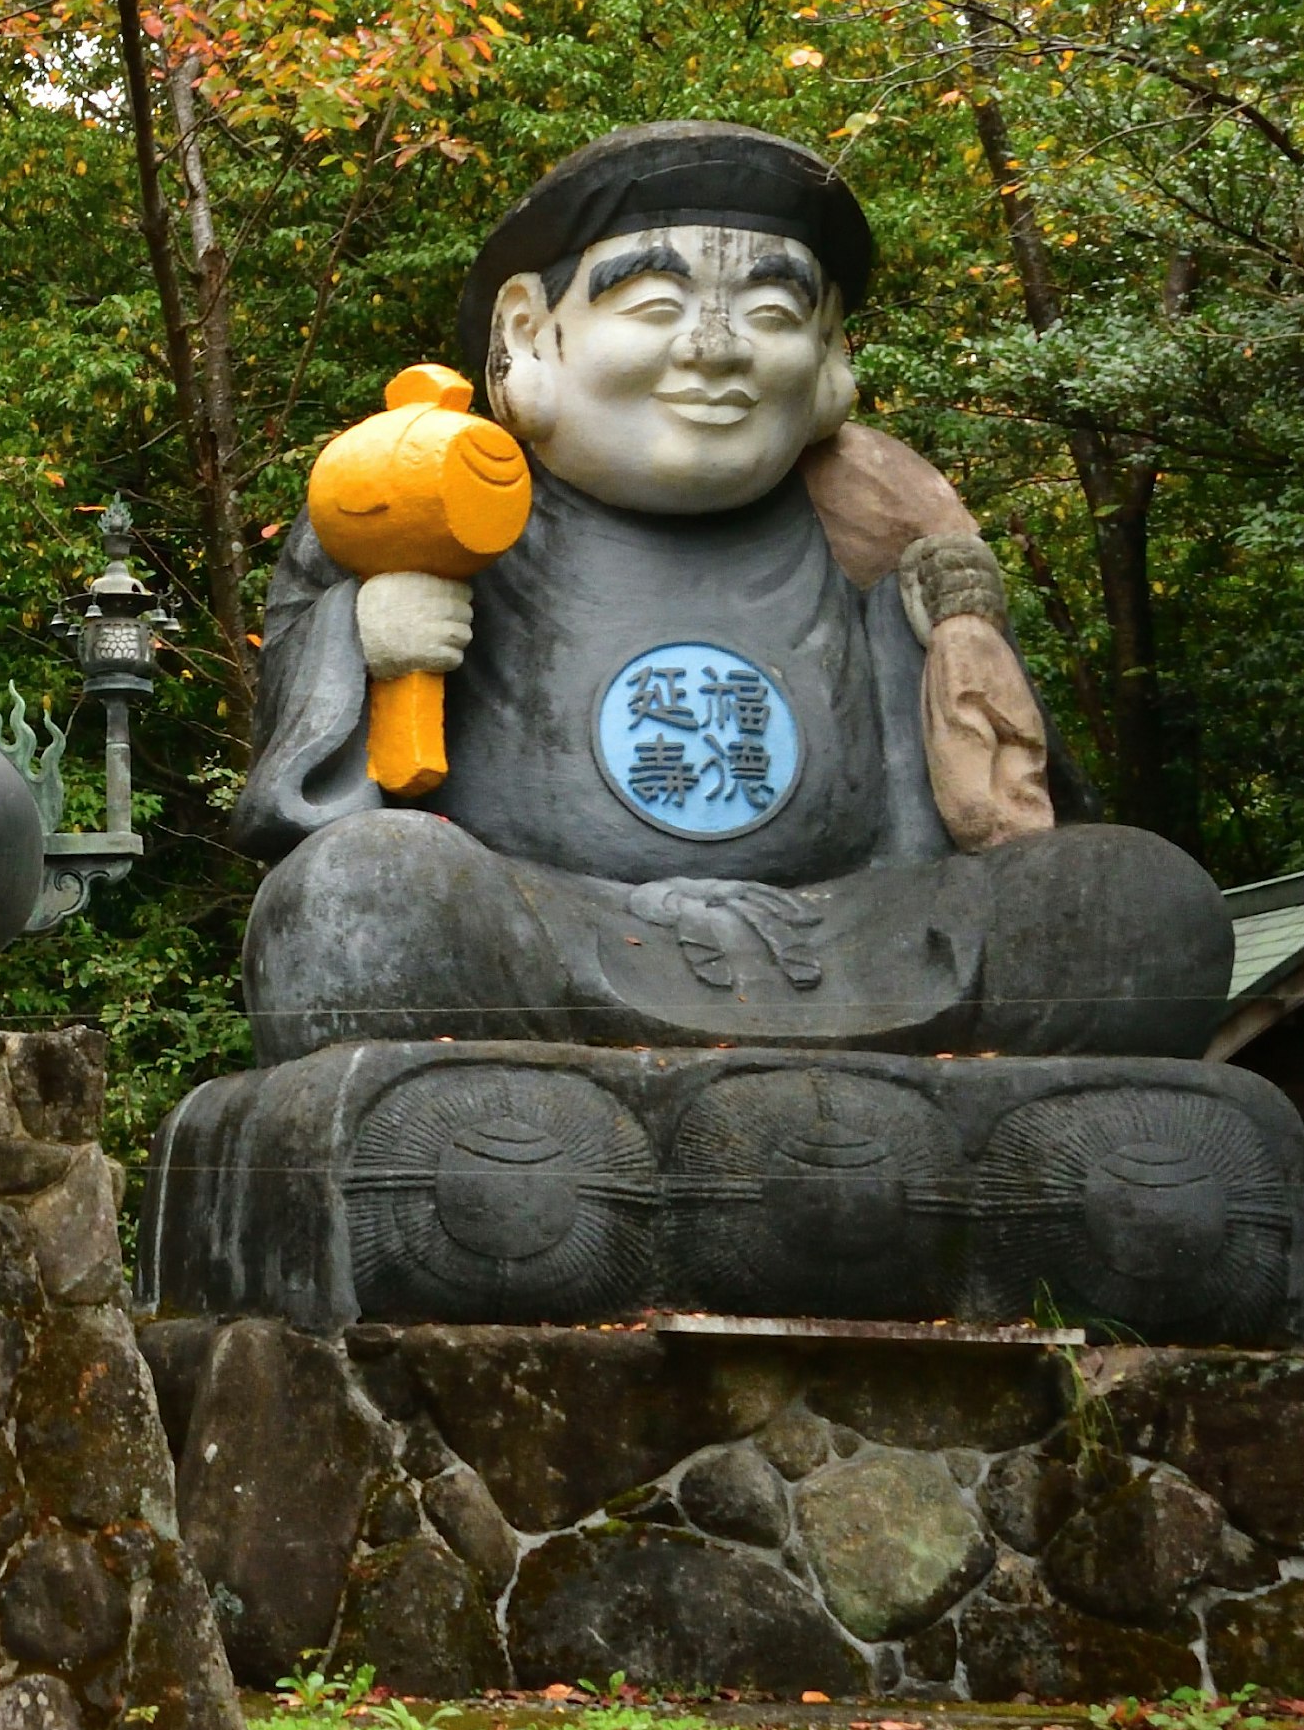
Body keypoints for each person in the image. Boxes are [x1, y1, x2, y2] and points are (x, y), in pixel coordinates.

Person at [231, 119, 1230, 1062]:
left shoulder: (874, 526)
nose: (715, 347)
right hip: (549, 926)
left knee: (1141, 901)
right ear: (532, 332)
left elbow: (983, 822)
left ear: (831, 346)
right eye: (656, 307)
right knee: (360, 900)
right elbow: (319, 803)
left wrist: (943, 619)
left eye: (771, 311)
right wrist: (366, 634)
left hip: (853, 939)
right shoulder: (440, 499)